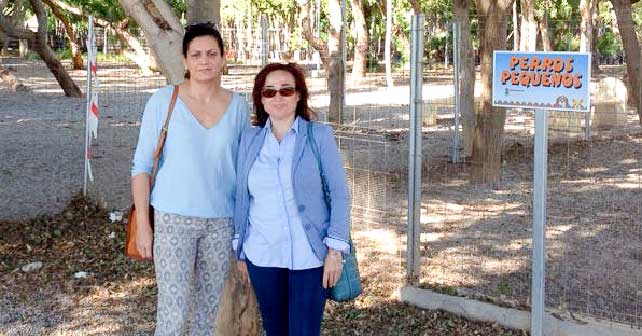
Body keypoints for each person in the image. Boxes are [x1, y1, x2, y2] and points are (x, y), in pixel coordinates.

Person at [130, 22, 248, 336]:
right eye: (196, 54)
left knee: (206, 316)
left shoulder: (238, 106)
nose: (204, 60)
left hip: (221, 222)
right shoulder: (162, 101)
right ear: (185, 60)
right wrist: (144, 224)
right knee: (172, 312)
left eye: (212, 53)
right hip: (172, 220)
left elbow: (244, 168)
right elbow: (141, 166)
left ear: (224, 57)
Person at [232, 63, 351, 336]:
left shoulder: (318, 136)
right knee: (275, 331)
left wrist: (335, 252)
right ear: (260, 99)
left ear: (298, 95)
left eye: (286, 90)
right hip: (263, 255)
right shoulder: (249, 140)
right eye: (269, 92)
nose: (278, 97)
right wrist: (241, 251)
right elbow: (241, 195)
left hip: (309, 257)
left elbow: (339, 194)